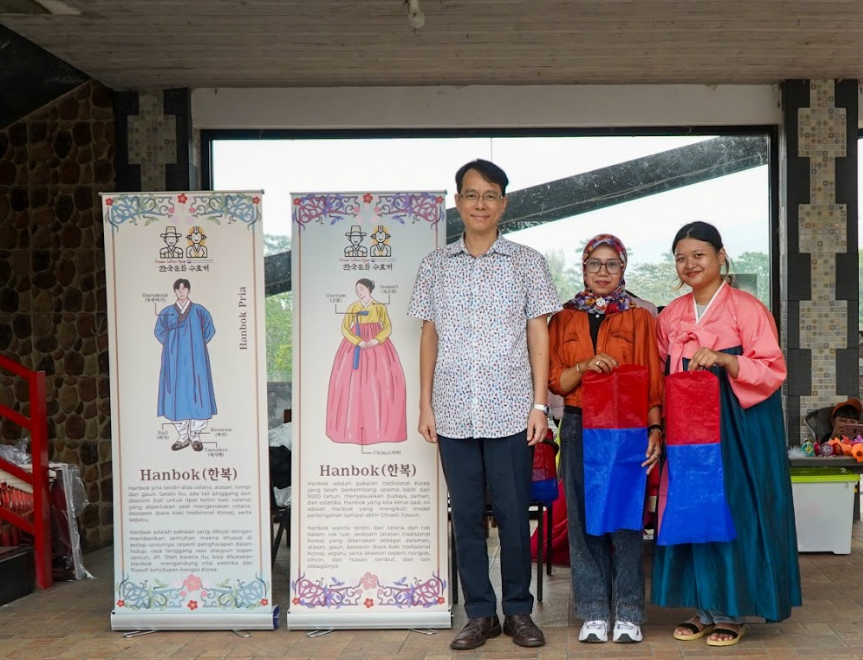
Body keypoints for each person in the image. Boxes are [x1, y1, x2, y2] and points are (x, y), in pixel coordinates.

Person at [408, 159, 560, 650]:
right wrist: (425, 403)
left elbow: (539, 333)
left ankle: (517, 611)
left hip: (512, 411)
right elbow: (428, 335)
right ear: (458, 202)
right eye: (471, 194)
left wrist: (540, 405)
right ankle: (479, 613)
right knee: (467, 516)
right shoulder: (436, 265)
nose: (480, 203)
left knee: (516, 516)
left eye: (490, 195)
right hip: (452, 410)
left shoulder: (526, 261)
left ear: (503, 204)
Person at [652, 221, 801, 647]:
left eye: (698, 254)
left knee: (736, 506)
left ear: (721, 256)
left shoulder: (747, 308)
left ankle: (732, 611)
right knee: (692, 506)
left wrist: (724, 359)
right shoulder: (672, 315)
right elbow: (664, 374)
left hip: (739, 423)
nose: (689, 264)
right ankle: (703, 607)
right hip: (688, 427)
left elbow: (771, 368)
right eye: (681, 257)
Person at [548, 234, 663, 644]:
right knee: (582, 521)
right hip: (579, 425)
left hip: (627, 428)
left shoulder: (639, 317)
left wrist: (655, 429)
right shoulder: (562, 318)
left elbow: (651, 381)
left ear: (623, 269)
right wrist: (585, 364)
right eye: (595, 264)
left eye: (611, 264)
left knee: (625, 519)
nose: (602, 272)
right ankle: (594, 611)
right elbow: (557, 381)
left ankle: (629, 611)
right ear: (583, 268)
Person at [325, 278, 407, 445]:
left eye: (361, 288)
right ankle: (350, 432)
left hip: (377, 349)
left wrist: (377, 340)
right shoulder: (353, 307)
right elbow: (344, 328)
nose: (359, 291)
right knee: (351, 385)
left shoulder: (380, 307)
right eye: (357, 289)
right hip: (354, 348)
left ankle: (380, 432)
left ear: (369, 289)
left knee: (381, 384)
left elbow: (387, 327)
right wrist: (357, 341)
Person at [155, 278, 217, 451]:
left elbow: (210, 329)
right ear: (175, 292)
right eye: (178, 289)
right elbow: (158, 331)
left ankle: (195, 435)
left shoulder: (198, 311)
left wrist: (198, 344)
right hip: (173, 361)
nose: (181, 292)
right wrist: (171, 346)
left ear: (188, 290)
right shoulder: (167, 312)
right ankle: (183, 436)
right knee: (175, 394)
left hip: (196, 360)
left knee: (198, 394)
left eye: (184, 289)